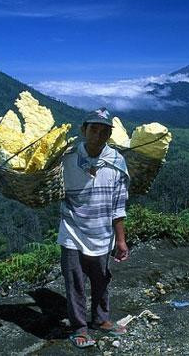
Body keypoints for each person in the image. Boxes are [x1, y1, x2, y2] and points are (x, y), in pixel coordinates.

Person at [57, 107, 130, 348]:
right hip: (72, 229)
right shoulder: (66, 159)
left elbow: (119, 205)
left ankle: (101, 320)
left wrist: (121, 240)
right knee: (75, 280)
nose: (97, 135)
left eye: (103, 131)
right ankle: (80, 327)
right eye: (93, 129)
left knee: (101, 279)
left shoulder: (116, 162)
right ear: (83, 130)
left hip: (102, 232)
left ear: (109, 135)